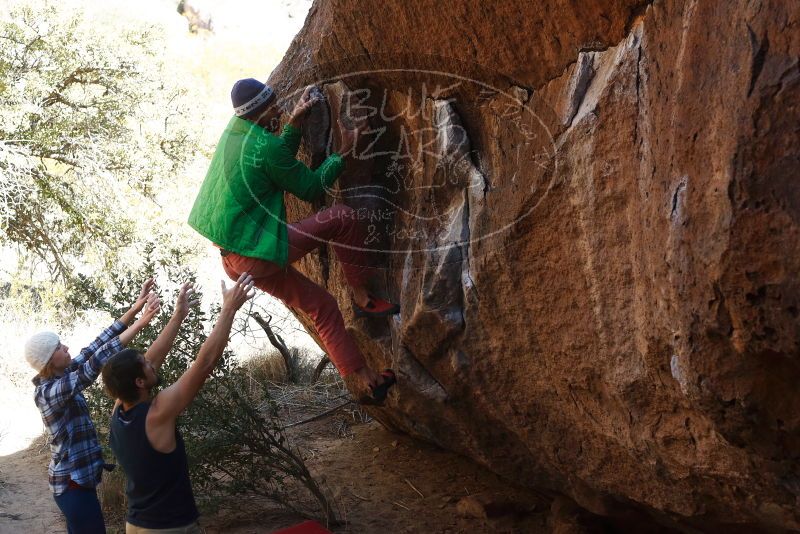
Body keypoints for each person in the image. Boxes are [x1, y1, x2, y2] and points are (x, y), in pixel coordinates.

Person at [187, 78, 398, 399]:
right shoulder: (265, 144)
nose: (281, 111)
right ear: (258, 114)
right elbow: (311, 187)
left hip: (235, 260)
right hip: (257, 252)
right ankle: (363, 296)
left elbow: (269, 160)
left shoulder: (236, 133)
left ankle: (369, 382)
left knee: (323, 307)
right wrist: (343, 153)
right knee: (341, 218)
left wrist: (295, 126)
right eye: (274, 108)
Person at [103, 274, 254, 533]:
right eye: (146, 365)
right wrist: (229, 308)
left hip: (137, 525)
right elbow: (204, 363)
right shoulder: (157, 414)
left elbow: (154, 357)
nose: (151, 361)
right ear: (140, 382)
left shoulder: (119, 408)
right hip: (169, 528)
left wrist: (178, 316)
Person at [25, 279, 161, 534]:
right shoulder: (49, 392)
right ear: (48, 361)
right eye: (59, 348)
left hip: (77, 484)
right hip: (72, 486)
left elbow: (96, 346)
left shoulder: (59, 376)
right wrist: (143, 322)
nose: (66, 348)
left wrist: (136, 308)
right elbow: (93, 366)